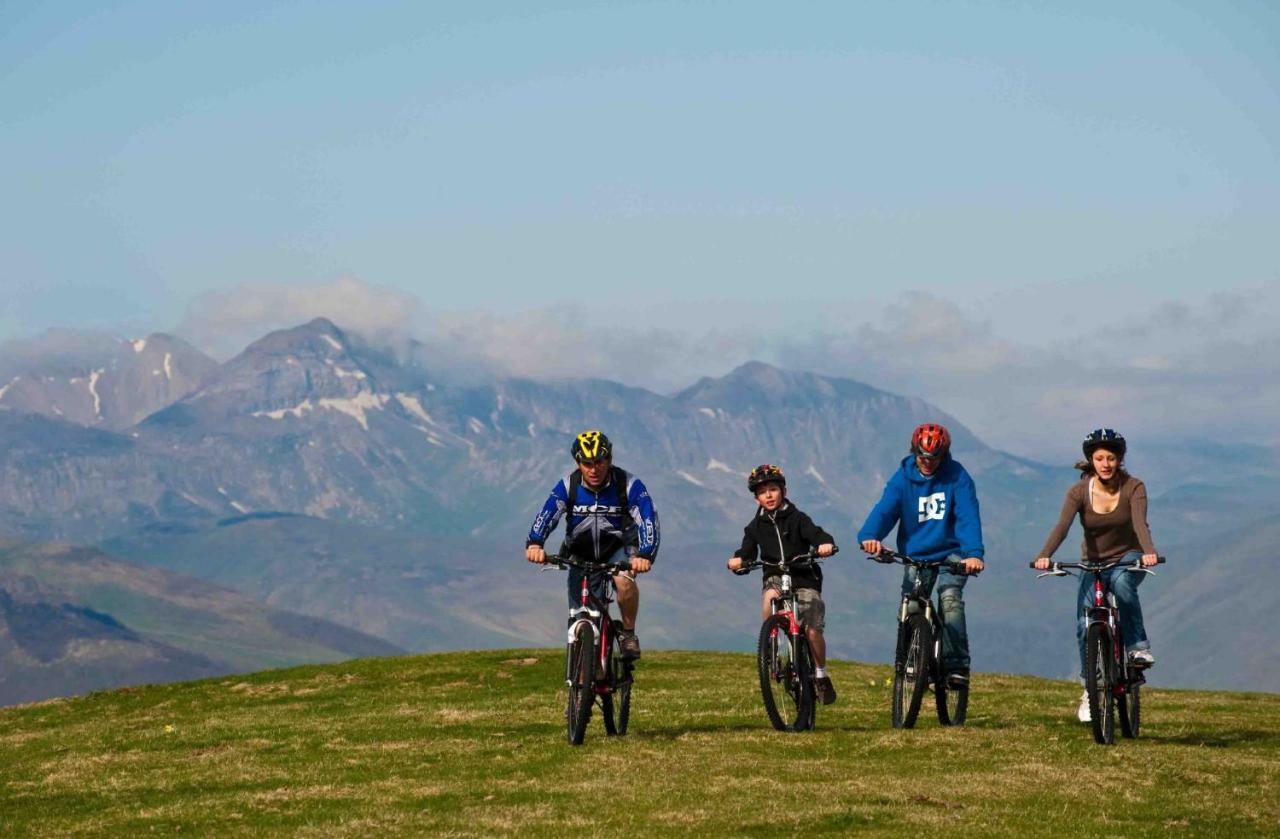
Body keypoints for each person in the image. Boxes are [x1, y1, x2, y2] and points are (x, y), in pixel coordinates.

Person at [1033, 428, 1159, 722]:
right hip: (1093, 561)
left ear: (1119, 460)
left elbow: (1140, 524)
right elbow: (1062, 527)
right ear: (1091, 460)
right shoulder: (1079, 492)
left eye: (1111, 458)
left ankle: (1137, 648)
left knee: (1122, 583)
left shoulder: (1134, 487)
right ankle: (1092, 688)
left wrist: (1149, 551)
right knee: (1083, 622)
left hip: (1129, 554)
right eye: (1099, 458)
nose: (1105, 463)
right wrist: (1044, 555)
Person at [857, 423, 985, 687]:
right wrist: (870, 536)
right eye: (922, 456)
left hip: (953, 553)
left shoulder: (957, 477)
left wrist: (973, 553)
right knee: (912, 603)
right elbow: (886, 509)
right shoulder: (903, 478)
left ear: (944, 455)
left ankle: (956, 666)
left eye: (934, 457)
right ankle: (912, 660)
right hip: (917, 554)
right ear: (914, 452)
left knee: (949, 600)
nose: (927, 462)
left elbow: (968, 517)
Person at [526, 430, 659, 659]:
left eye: (599, 461)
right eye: (586, 463)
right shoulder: (569, 486)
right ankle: (582, 679)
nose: (593, 469)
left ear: (609, 459)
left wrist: (645, 554)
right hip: (580, 553)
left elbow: (648, 518)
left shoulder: (628, 485)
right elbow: (547, 514)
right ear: (578, 462)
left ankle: (628, 633)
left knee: (624, 581)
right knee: (580, 616)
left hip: (619, 549)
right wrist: (535, 543)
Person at [727, 464, 839, 704]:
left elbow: (817, 535)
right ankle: (773, 641)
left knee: (811, 628)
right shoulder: (755, 527)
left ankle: (820, 674)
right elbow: (747, 550)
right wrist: (740, 560)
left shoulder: (798, 518)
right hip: (775, 575)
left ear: (783, 491)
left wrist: (825, 544)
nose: (768, 495)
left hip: (803, 576)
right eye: (762, 491)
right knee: (769, 597)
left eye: (773, 489)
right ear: (756, 497)